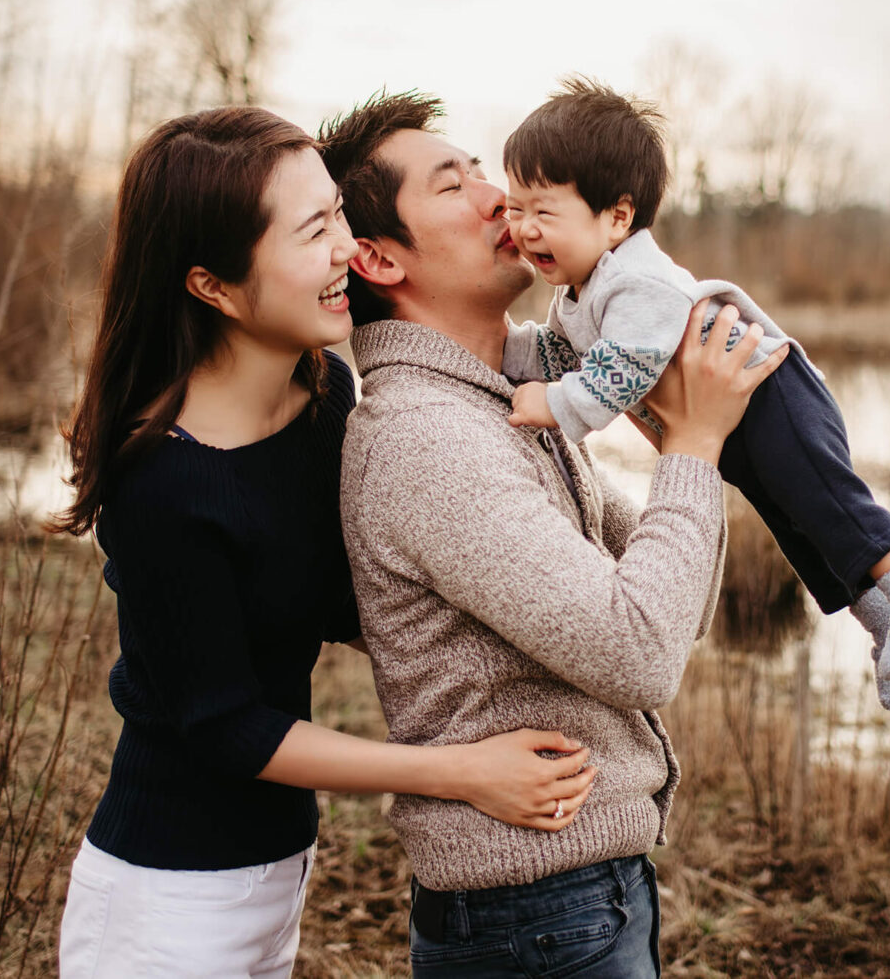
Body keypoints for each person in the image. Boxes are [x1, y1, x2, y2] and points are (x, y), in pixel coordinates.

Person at [49, 106, 597, 979]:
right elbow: (228, 728)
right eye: (313, 231)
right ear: (214, 287)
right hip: (165, 898)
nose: (347, 248)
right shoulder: (162, 481)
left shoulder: (328, 406)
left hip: (276, 876)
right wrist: (458, 771)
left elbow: (364, 600)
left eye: (337, 213)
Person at [320, 91, 785, 978]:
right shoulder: (429, 439)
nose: (502, 199)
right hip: (534, 915)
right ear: (378, 257)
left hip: (570, 903)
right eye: (454, 184)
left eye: (482, 170)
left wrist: (676, 431)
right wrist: (692, 445)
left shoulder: (503, 401)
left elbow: (678, 614)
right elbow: (642, 651)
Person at [500, 78, 890, 710]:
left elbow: (625, 367)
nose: (523, 229)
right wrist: (501, 351)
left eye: (543, 211)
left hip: (773, 393)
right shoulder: (578, 292)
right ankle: (884, 620)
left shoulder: (634, 280)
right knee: (796, 523)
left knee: (827, 501)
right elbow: (562, 356)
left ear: (618, 217)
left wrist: (556, 406)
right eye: (514, 208)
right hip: (732, 414)